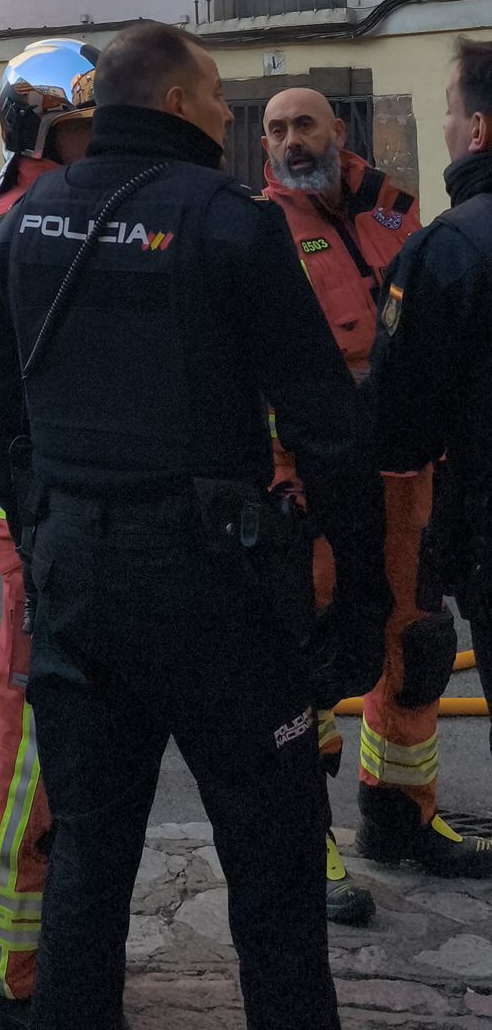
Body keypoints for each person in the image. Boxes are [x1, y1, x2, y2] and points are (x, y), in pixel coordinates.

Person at [0, 21, 390, 1030]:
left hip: (77, 588)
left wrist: (47, 531)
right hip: (217, 594)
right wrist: (361, 602)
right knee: (277, 870)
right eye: (213, 96)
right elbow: (329, 430)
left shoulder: (25, 224)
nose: (226, 112)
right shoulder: (234, 223)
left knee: (87, 866)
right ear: (169, 104)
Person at [261, 89, 450, 909]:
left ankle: (402, 816)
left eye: (305, 124)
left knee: (418, 644)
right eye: (274, 129)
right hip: (313, 479)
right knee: (306, 667)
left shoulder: (397, 214)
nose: (290, 140)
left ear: (339, 131)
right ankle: (307, 845)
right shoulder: (259, 230)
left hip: (407, 470)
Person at [0, 38, 99, 1030]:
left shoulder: (44, 216)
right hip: (36, 525)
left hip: (61, 517)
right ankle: (3, 976)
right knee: (35, 748)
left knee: (73, 745)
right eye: (96, 122)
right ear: (51, 127)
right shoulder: (21, 229)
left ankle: (52, 955)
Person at [370, 38, 492, 870]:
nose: (444, 125)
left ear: (478, 128)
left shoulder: (447, 247)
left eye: (449, 109)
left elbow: (398, 422)